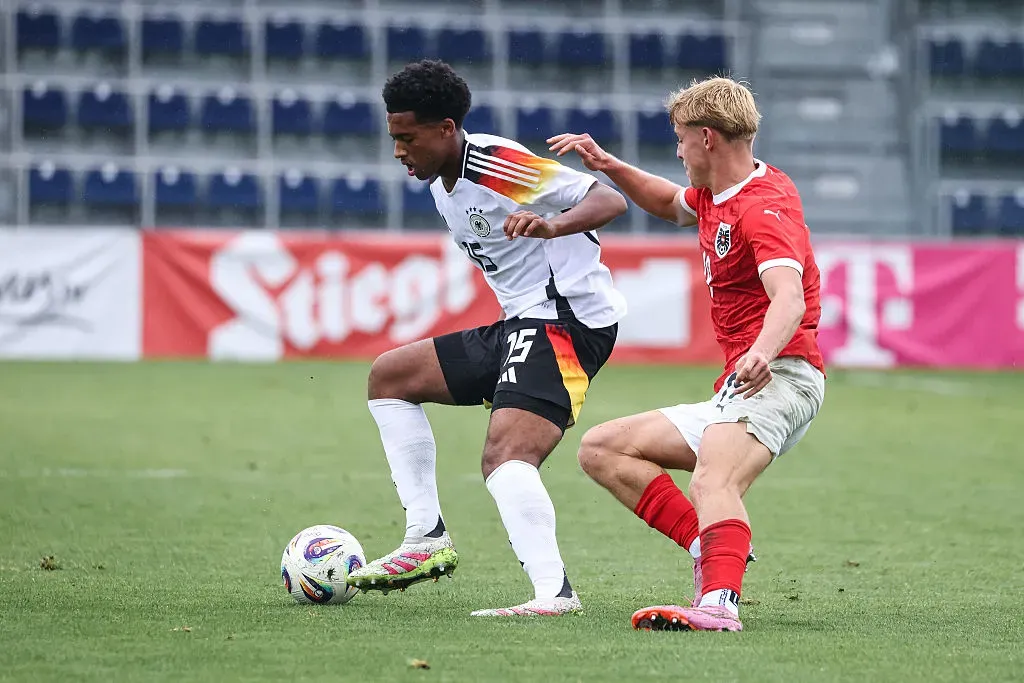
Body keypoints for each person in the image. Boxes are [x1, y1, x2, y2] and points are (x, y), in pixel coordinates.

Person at [346, 60, 629, 617]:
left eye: (408, 138)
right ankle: (425, 537)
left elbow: (608, 199)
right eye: (394, 138)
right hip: (523, 321)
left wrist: (552, 224)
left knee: (506, 456)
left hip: (565, 324)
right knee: (391, 377)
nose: (399, 151)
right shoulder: (441, 181)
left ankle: (554, 593)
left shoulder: (496, 165)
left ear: (447, 128)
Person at [549, 76, 826, 632]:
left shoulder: (762, 209)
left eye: (678, 139)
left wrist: (762, 354)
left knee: (710, 483)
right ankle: (711, 547)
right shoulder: (718, 195)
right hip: (742, 385)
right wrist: (608, 165)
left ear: (706, 139)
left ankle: (719, 605)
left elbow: (789, 298)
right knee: (603, 449)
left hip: (781, 377)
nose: (675, 151)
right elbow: (666, 202)